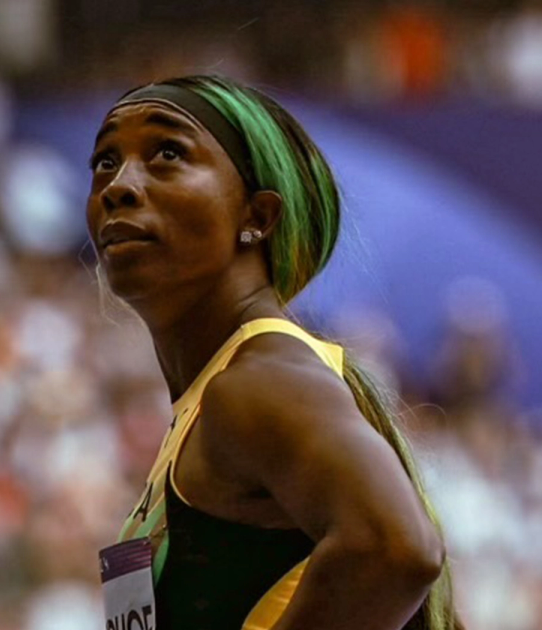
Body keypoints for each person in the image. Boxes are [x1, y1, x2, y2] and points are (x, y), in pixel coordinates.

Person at [88, 76, 460, 630]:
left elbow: (397, 550)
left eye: (167, 153)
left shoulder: (259, 379)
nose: (120, 184)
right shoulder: (221, 395)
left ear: (257, 217)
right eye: (105, 162)